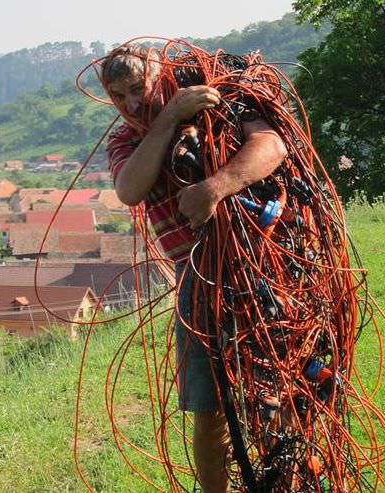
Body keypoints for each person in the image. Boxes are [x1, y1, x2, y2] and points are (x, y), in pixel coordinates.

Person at [102, 44, 288, 493]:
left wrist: (216, 187)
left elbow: (271, 144)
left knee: (275, 384)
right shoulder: (127, 140)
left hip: (257, 264)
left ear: (157, 73)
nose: (130, 104)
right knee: (208, 409)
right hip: (196, 281)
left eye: (137, 88)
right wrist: (167, 118)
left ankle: (288, 476)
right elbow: (129, 189)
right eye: (118, 96)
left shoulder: (211, 98)